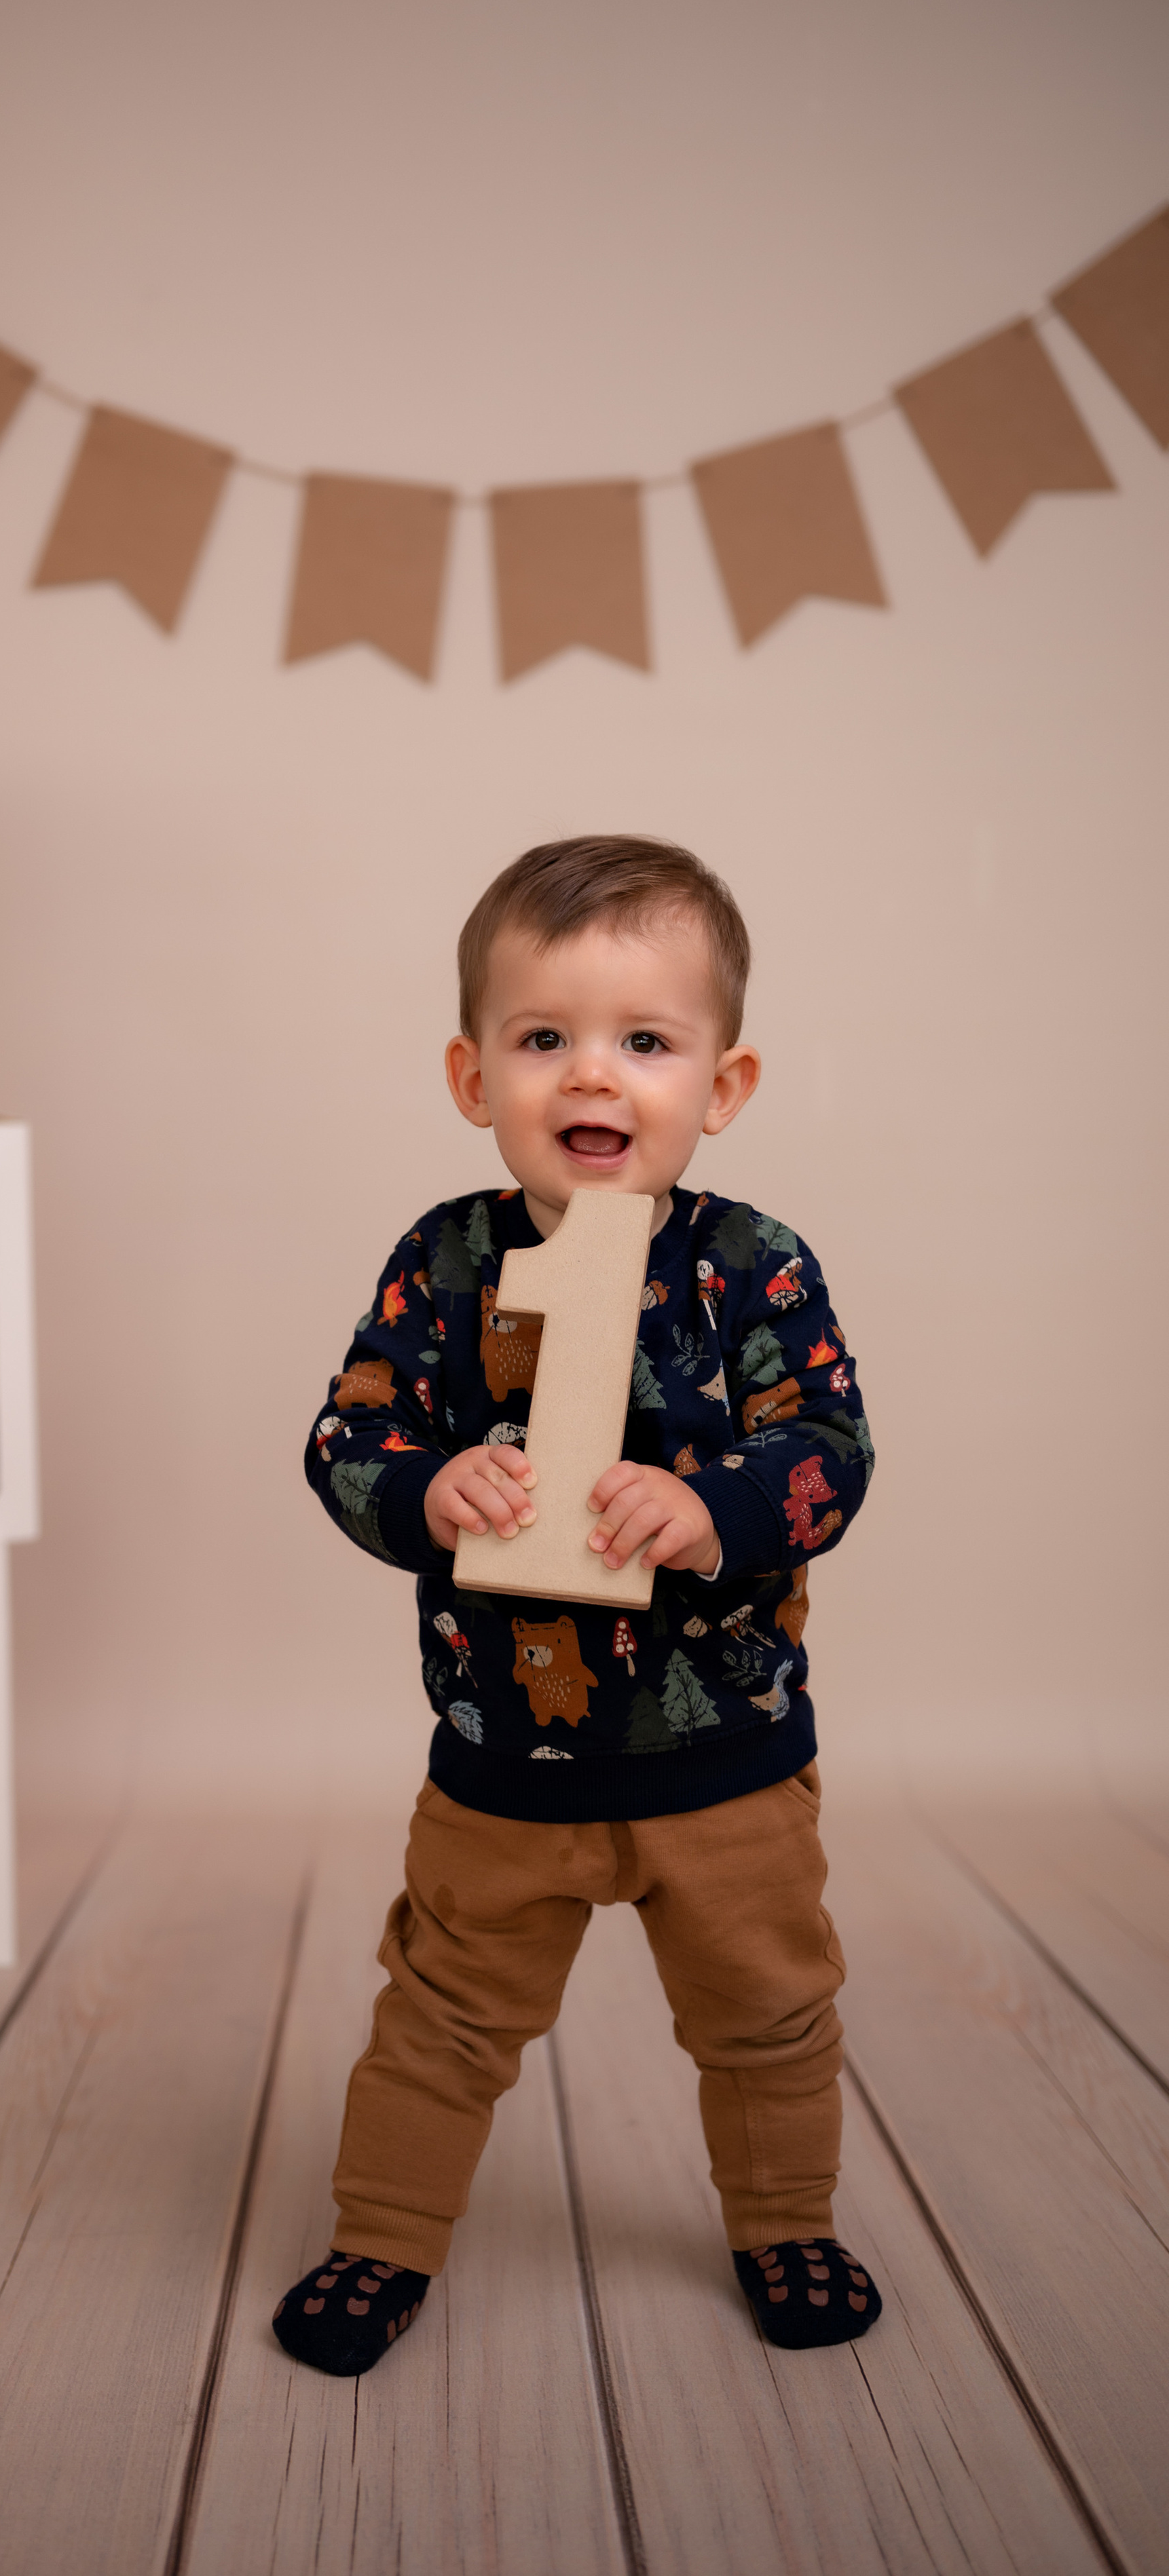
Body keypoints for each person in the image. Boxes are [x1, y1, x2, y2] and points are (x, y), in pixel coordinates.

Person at [274, 835, 881, 2376]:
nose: (588, 1077)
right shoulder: (445, 1259)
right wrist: (426, 1490)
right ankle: (381, 2237)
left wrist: (715, 1510)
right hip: (503, 1758)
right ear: (472, 1075)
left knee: (765, 2015)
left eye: (642, 1042)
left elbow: (827, 1451)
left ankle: (781, 2215)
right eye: (542, 1039)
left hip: (724, 1754)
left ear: (719, 1084)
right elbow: (346, 1438)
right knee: (441, 2017)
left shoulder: (752, 1266)